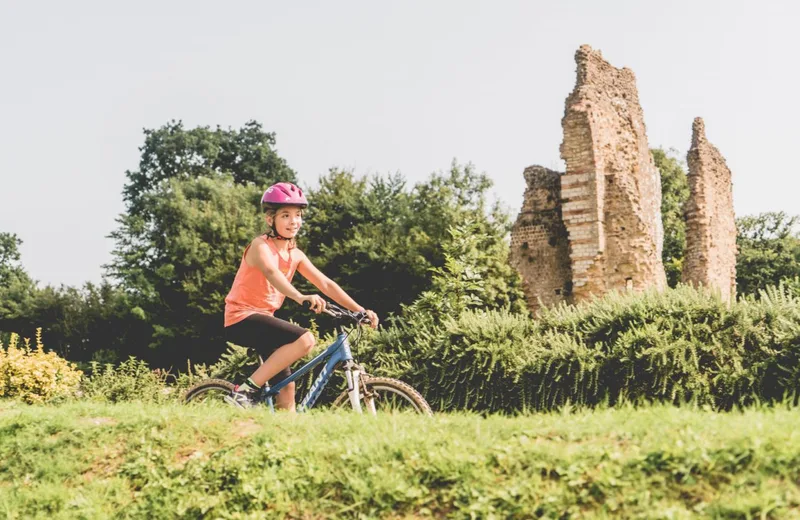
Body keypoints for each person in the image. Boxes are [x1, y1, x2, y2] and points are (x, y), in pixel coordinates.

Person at [223, 181, 379, 409]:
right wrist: (300, 296)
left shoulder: (295, 254)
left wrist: (359, 310)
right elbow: (270, 272)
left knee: (286, 389)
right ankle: (243, 392)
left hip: (264, 320)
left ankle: (285, 440)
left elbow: (326, 283)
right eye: (285, 215)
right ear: (270, 220)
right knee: (305, 339)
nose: (293, 221)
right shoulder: (260, 246)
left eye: (297, 215)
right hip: (241, 318)